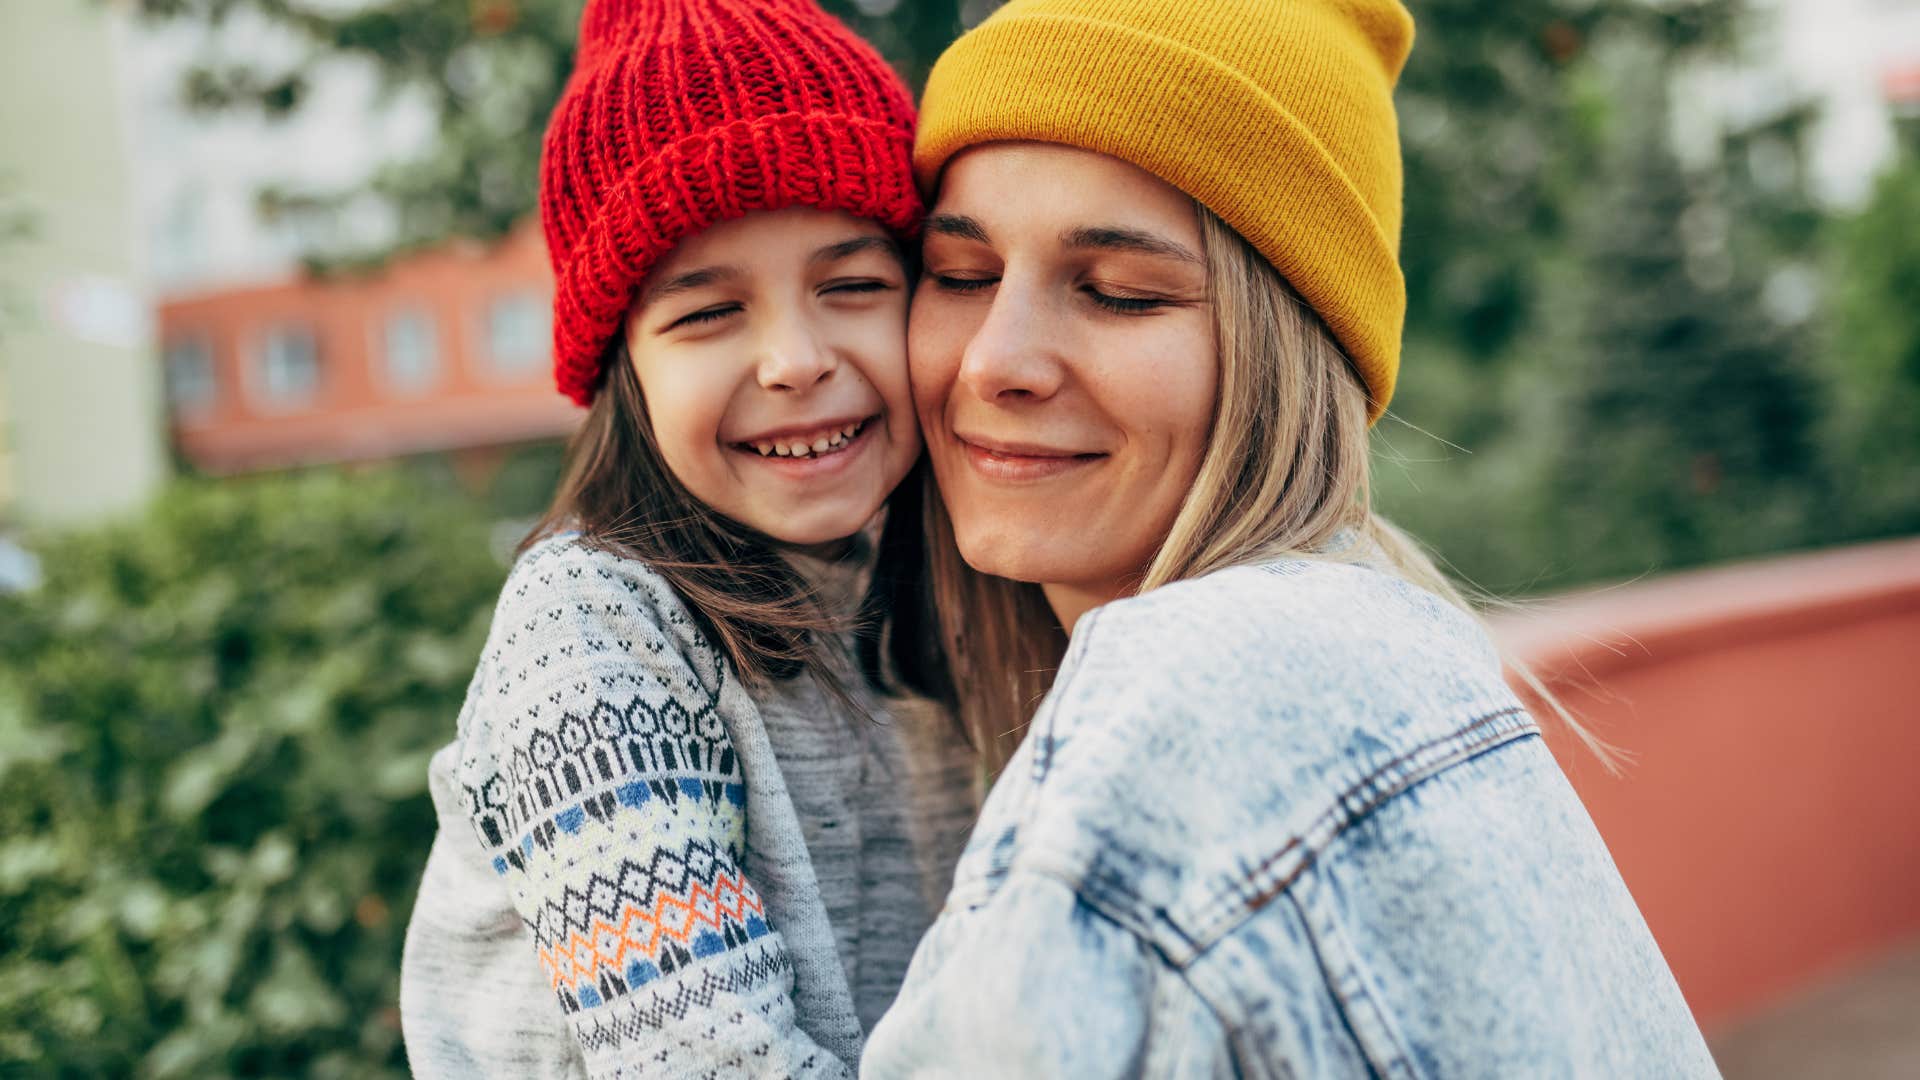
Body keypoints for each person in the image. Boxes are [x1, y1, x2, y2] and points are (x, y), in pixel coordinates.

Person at [864, 0, 1721, 1075]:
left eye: (1121, 294)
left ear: (1290, 356)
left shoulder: (1187, 700)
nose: (996, 359)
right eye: (962, 275)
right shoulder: (1397, 648)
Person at [397, 1, 974, 1076]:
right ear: (623, 369)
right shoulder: (591, 630)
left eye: (852, 286)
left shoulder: (940, 581)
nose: (796, 359)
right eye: (708, 313)